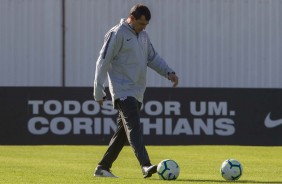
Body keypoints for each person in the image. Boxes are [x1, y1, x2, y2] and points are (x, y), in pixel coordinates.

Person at [93, 4, 179, 178]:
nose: (143, 27)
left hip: (137, 92)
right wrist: (98, 90)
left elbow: (153, 58)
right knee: (134, 127)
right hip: (122, 91)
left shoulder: (144, 36)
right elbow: (103, 61)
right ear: (131, 19)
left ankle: (103, 167)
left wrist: (169, 72)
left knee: (122, 133)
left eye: (145, 25)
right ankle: (145, 165)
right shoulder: (117, 34)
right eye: (140, 24)